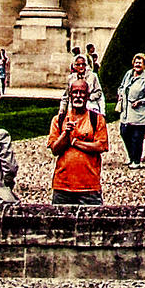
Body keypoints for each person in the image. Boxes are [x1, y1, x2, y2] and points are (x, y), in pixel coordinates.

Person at [48, 78, 109, 206]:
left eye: (82, 93)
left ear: (87, 96)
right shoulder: (59, 120)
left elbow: (101, 145)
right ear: (70, 95)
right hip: (62, 185)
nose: (78, 96)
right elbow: (55, 150)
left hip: (89, 186)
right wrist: (65, 133)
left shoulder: (96, 119)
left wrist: (75, 142)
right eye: (75, 92)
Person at [115, 53, 145, 165]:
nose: (138, 65)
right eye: (136, 62)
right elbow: (121, 86)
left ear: (144, 65)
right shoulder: (128, 74)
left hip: (140, 113)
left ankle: (136, 160)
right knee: (124, 133)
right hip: (127, 112)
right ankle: (131, 156)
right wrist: (120, 93)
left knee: (137, 137)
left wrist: (141, 101)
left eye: (140, 63)